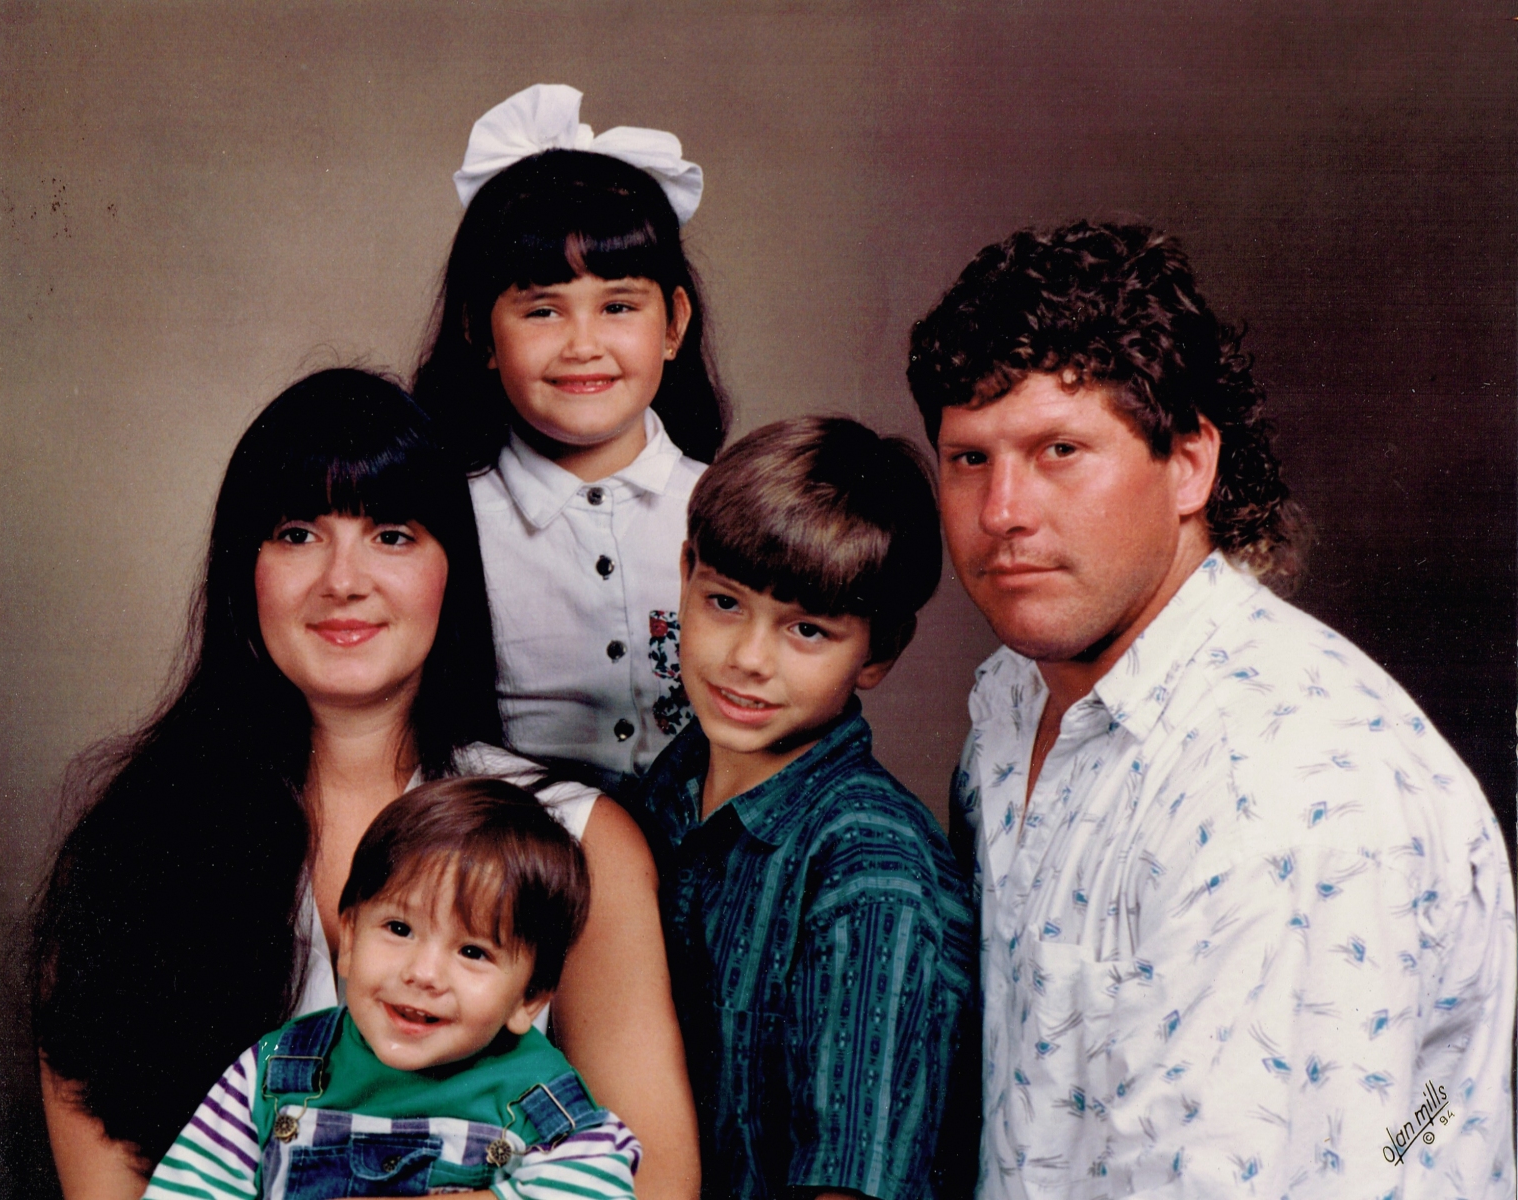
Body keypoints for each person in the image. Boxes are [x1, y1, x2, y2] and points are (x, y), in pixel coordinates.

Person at [906, 221, 1516, 1198]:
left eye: (1059, 449)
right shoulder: (1014, 703)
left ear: (1189, 464)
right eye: (968, 459)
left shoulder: (1286, 788)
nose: (1000, 511)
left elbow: (1375, 1143)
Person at [31, 369, 696, 1200]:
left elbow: (655, 1180)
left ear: (452, 569)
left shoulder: (575, 838)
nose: (343, 580)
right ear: (243, 570)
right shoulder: (130, 849)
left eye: (391, 534)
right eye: (297, 533)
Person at [631, 416, 975, 1199]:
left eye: (807, 630)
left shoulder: (871, 870)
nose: (748, 659)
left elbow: (850, 1182)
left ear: (877, 652)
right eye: (724, 602)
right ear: (683, 574)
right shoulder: (664, 793)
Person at [414, 84, 729, 794]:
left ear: (674, 324)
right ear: (479, 332)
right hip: (511, 846)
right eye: (542, 311)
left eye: (618, 306)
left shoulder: (728, 507)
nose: (583, 345)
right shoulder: (448, 519)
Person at [144, 777, 641, 1200]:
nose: (423, 974)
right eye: (399, 929)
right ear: (350, 940)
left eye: (473, 952)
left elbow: (598, 1188)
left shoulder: (535, 1097)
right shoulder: (274, 1072)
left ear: (529, 998)